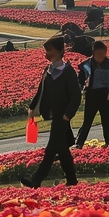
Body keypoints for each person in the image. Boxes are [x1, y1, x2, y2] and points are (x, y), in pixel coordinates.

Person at [21, 35, 81, 187]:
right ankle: (72, 180)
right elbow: (41, 91)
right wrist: (32, 107)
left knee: (51, 149)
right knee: (61, 149)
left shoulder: (68, 72)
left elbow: (76, 96)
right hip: (53, 115)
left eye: (49, 50)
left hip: (63, 117)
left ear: (60, 51)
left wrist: (68, 114)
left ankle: (36, 179)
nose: (46, 54)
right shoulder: (47, 70)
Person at [75, 39, 109, 147]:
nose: (101, 56)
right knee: (87, 121)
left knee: (106, 121)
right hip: (92, 95)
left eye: (103, 54)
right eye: (99, 54)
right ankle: (79, 143)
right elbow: (79, 80)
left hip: (106, 95)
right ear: (93, 53)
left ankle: (108, 142)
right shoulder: (86, 65)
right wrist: (83, 86)